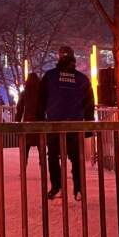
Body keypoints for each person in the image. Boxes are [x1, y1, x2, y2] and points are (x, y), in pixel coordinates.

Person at [39, 45, 92, 200]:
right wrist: (88, 125)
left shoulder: (50, 76)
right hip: (75, 125)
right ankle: (79, 188)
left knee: (53, 156)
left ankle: (57, 186)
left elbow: (41, 101)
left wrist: (40, 121)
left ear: (59, 57)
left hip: (54, 124)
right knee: (76, 158)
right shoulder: (82, 79)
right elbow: (89, 104)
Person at [15, 71, 44, 165]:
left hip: (28, 123)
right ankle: (42, 166)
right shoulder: (42, 93)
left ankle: (23, 167)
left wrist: (17, 123)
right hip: (40, 122)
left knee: (25, 147)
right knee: (41, 146)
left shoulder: (24, 93)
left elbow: (19, 109)